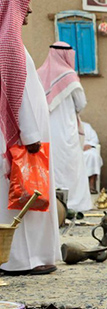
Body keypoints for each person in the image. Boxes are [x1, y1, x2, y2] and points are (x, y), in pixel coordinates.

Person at [0, 1, 60, 275]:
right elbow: (18, 95)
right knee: (22, 201)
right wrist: (30, 135)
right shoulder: (9, 47)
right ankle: (25, 261)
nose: (30, 11)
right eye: (25, 6)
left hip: (10, 139)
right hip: (20, 141)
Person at [37, 42, 91, 213]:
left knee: (51, 164)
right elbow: (81, 103)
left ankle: (53, 205)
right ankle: (75, 203)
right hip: (66, 130)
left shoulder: (39, 73)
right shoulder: (69, 76)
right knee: (71, 166)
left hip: (46, 129)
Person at [81, 121, 102, 194]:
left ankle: (91, 185)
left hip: (86, 149)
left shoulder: (86, 126)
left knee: (93, 155)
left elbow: (95, 139)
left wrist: (89, 145)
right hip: (72, 151)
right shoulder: (66, 126)